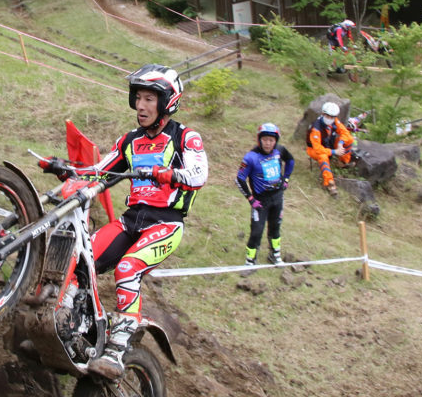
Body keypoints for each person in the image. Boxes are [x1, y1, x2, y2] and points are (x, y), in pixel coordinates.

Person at [47, 64, 207, 379]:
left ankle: (117, 349)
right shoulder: (130, 140)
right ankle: (63, 320)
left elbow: (199, 174)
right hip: (130, 220)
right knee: (81, 258)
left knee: (127, 268)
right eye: (138, 98)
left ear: (167, 102)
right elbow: (99, 170)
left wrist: (169, 174)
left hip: (166, 225)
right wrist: (66, 169)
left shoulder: (186, 137)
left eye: (149, 99)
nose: (141, 106)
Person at [236, 123, 294, 266]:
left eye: (271, 140)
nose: (268, 143)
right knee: (257, 231)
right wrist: (250, 199)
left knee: (275, 228)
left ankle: (275, 255)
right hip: (260, 201)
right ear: (259, 140)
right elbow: (240, 179)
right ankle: (250, 261)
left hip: (278, 198)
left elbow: (290, 160)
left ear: (276, 141)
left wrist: (286, 179)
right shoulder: (250, 157)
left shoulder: (280, 150)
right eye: (265, 140)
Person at [305, 101, 355, 196]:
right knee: (323, 156)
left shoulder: (334, 121)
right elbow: (318, 149)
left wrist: (340, 143)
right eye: (328, 116)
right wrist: (334, 151)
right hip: (314, 150)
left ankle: (343, 162)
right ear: (323, 114)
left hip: (328, 145)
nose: (330, 118)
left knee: (349, 139)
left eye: (332, 116)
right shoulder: (316, 128)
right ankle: (329, 183)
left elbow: (345, 132)